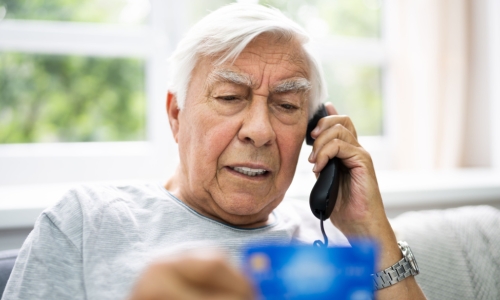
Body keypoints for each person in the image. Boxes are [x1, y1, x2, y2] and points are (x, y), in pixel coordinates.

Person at [2, 3, 427, 300]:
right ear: (176, 114)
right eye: (229, 97)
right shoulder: (84, 222)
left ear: (314, 128)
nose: (259, 132)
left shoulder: (336, 240)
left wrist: (374, 232)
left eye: (286, 105)